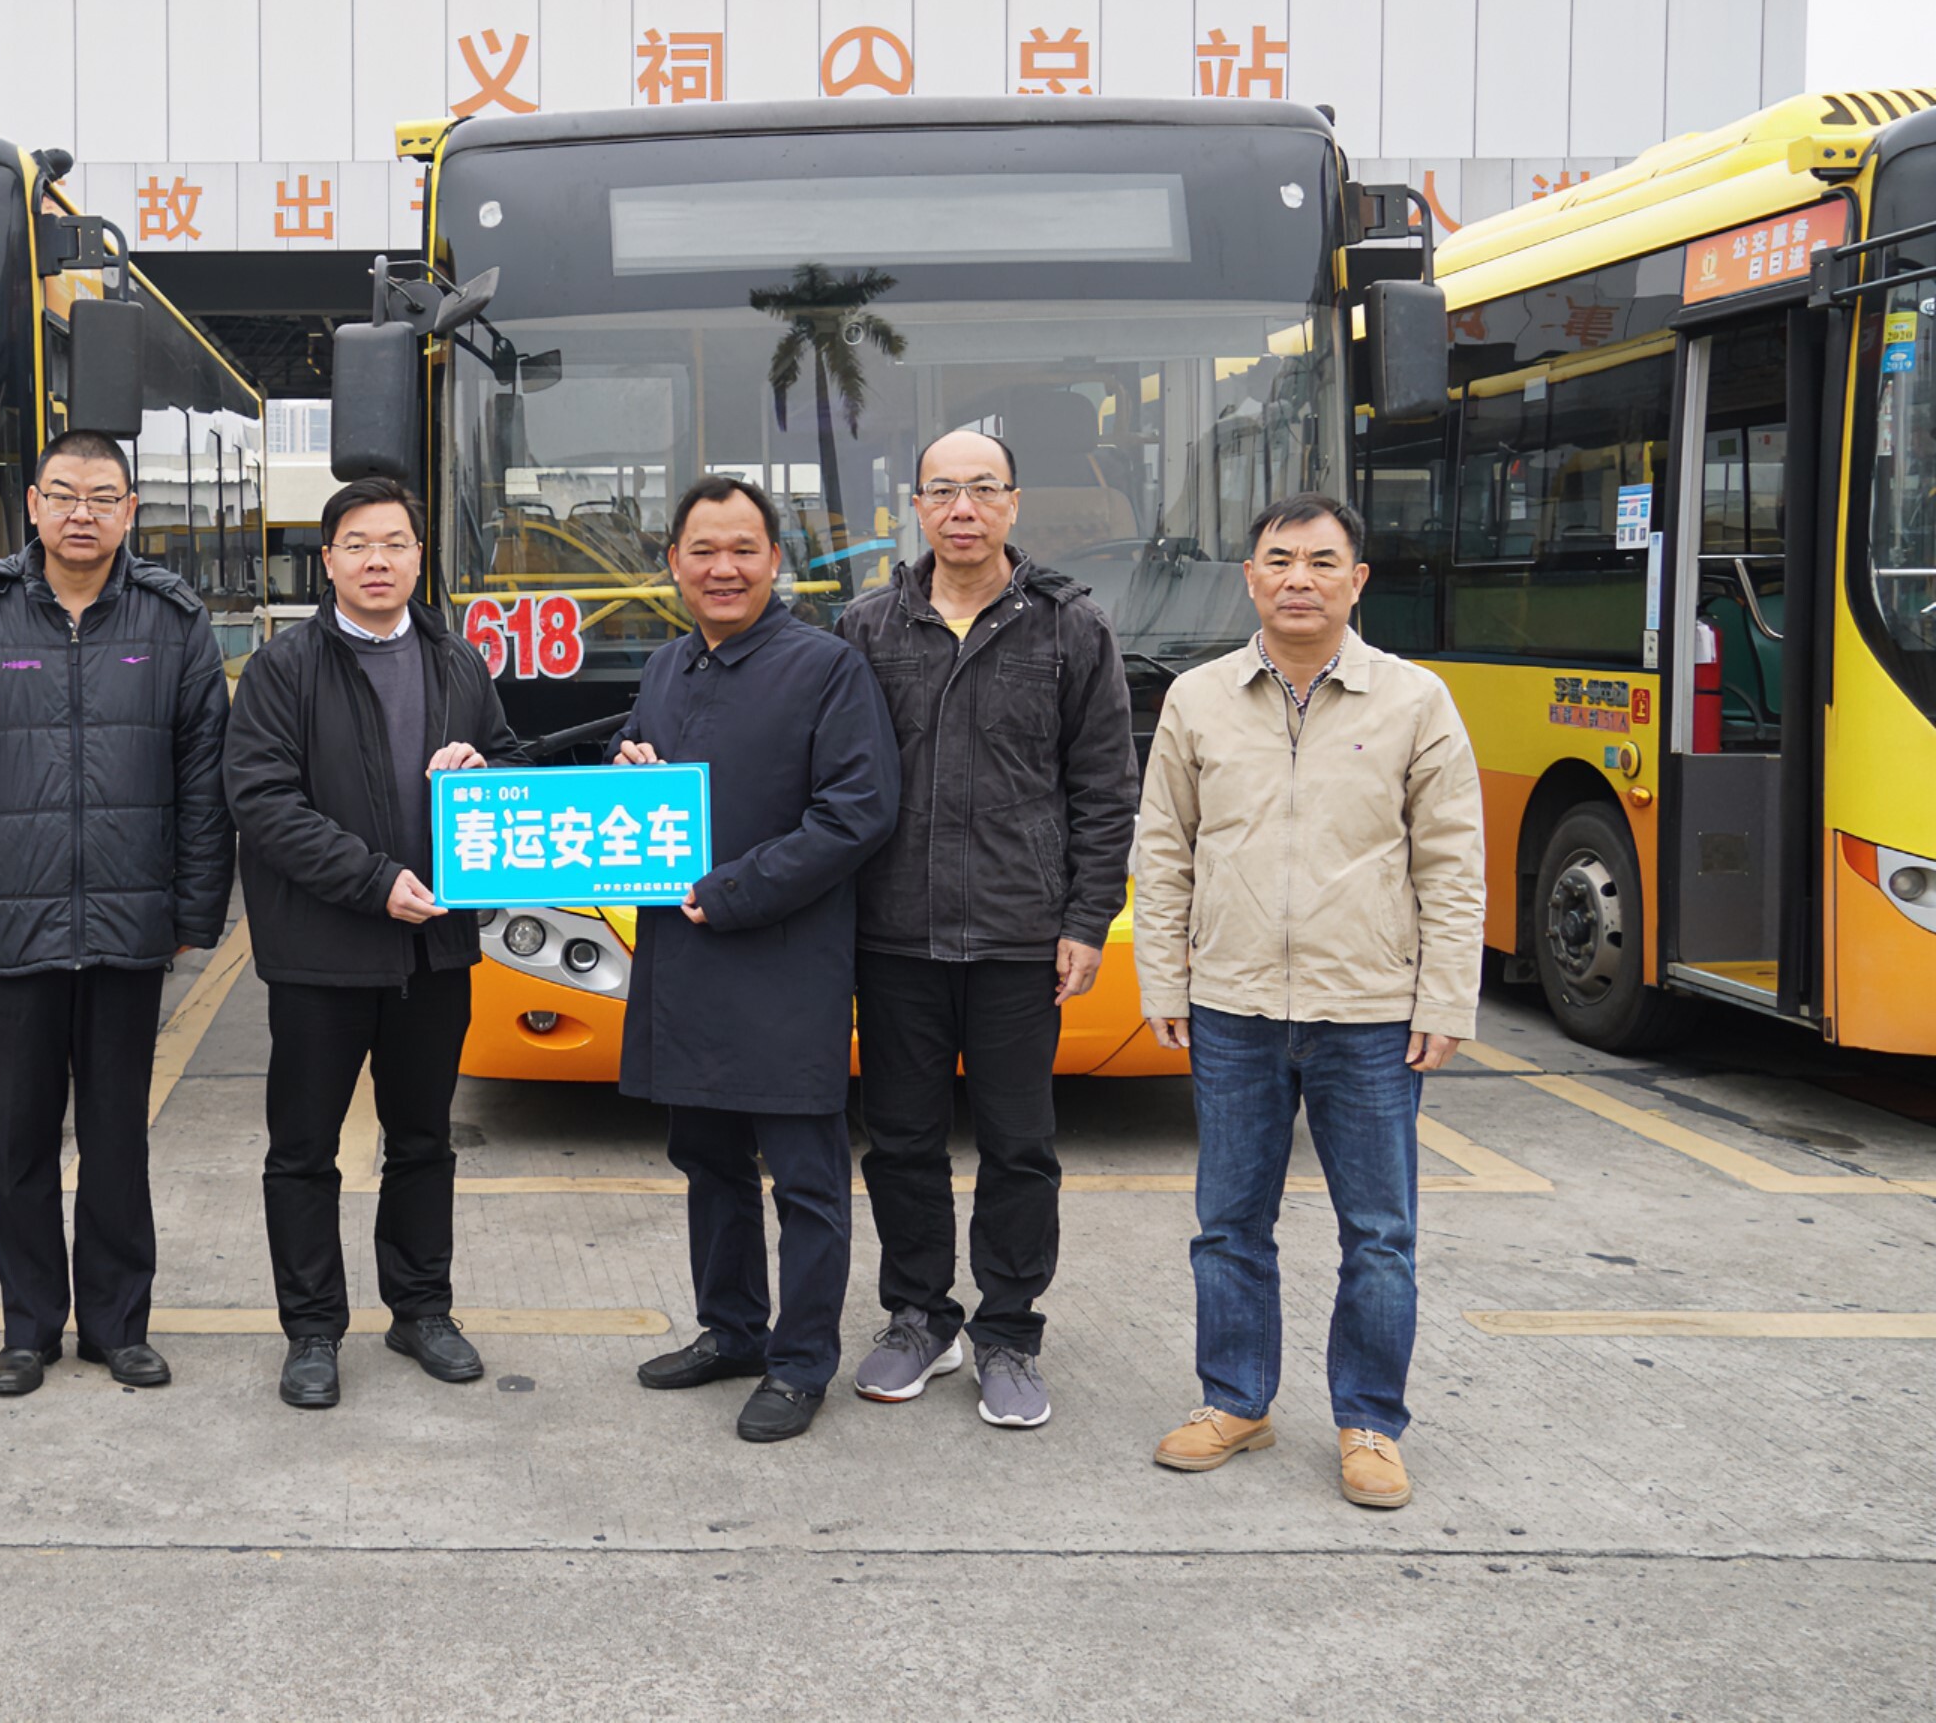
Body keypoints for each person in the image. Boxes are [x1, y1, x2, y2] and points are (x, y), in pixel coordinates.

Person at [1134, 493, 1484, 1510]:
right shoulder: (1198, 699)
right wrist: (1165, 978)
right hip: (1233, 1006)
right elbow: (1164, 850)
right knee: (1227, 1223)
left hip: (1369, 1012)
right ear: (1248, 577)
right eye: (1280, 559)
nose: (1300, 578)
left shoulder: (1415, 700)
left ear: (1356, 580)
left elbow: (1452, 861)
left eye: (1323, 561)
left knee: (1379, 1233)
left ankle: (1370, 1422)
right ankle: (1235, 1401)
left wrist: (1445, 995)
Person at [0, 431, 233, 1399]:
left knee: (116, 1136)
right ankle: (29, 1327)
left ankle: (117, 1326)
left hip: (130, 928)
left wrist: (197, 905)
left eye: (102, 496)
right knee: (15, 1139)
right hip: (13, 925)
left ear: (131, 510)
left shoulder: (173, 620)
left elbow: (202, 780)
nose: (81, 512)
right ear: (34, 507)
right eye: (63, 494)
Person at [834, 430, 1137, 1430]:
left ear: (1013, 502)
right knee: (901, 1141)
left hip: (1019, 935)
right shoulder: (867, 627)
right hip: (894, 932)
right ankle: (921, 1316)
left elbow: (1105, 787)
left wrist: (1087, 918)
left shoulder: (1070, 628)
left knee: (1019, 1145)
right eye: (942, 490)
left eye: (982, 488)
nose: (962, 508)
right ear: (916, 506)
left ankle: (1009, 1329)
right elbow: (823, 767)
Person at [224, 475, 529, 1410]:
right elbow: (263, 801)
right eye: (357, 544)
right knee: (303, 1149)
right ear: (327, 561)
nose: (377, 560)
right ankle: (313, 1330)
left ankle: (421, 1309)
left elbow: (511, 763)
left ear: (418, 557)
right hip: (322, 955)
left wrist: (486, 766)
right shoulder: (284, 668)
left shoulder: (457, 662)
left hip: (434, 955)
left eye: (394, 543)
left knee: (423, 1139)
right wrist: (371, 881)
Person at [616, 476, 900, 1443]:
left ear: (777, 561)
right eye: (703, 551)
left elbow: (857, 811)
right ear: (674, 565)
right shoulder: (667, 667)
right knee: (707, 1161)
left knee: (806, 1180)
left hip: (785, 964)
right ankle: (731, 1331)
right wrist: (625, 770)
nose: (723, 568)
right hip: (684, 967)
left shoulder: (826, 668)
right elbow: (637, 771)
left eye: (744, 549)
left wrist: (736, 889)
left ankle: (800, 1361)